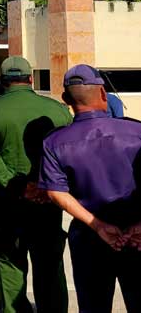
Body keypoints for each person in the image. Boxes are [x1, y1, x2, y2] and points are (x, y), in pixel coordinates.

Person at [0, 56, 72, 313]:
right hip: (48, 200)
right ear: (30, 79)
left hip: (7, 199)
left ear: (3, 81)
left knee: (10, 266)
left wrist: (16, 184)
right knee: (49, 265)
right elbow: (69, 152)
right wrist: (43, 185)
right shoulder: (58, 110)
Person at [39, 65, 141, 313]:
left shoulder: (54, 141)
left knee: (93, 305)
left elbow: (56, 192)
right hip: (138, 238)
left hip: (89, 237)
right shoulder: (137, 131)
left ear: (66, 100)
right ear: (104, 94)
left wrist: (97, 225)